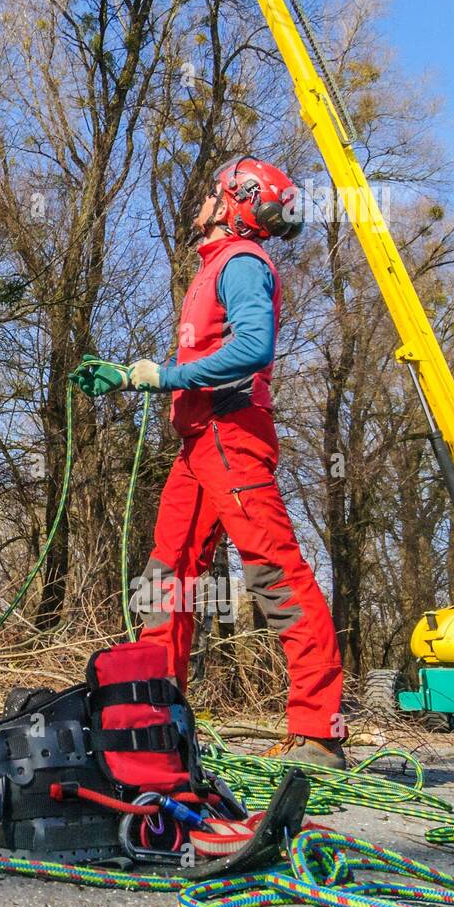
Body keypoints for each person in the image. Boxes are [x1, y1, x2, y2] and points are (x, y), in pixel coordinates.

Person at [73, 157, 345, 768]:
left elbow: (253, 348)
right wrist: (126, 376)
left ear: (230, 202)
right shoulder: (213, 267)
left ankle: (318, 727)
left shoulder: (243, 264)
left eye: (209, 192)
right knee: (166, 575)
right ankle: (154, 713)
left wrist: (164, 375)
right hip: (199, 443)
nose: (200, 200)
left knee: (273, 569)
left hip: (230, 433)